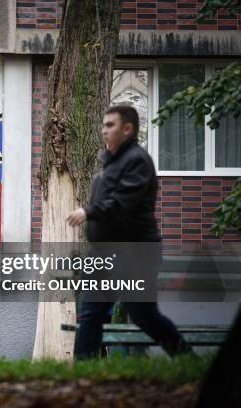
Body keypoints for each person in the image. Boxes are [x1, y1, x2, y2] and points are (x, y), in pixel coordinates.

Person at [66, 104, 192, 359]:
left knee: (144, 315)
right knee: (90, 315)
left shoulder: (137, 160)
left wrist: (89, 212)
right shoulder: (111, 163)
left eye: (110, 125)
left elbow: (123, 202)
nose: (104, 130)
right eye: (103, 125)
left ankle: (187, 359)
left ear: (127, 128)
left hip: (134, 254)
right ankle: (81, 376)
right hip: (104, 253)